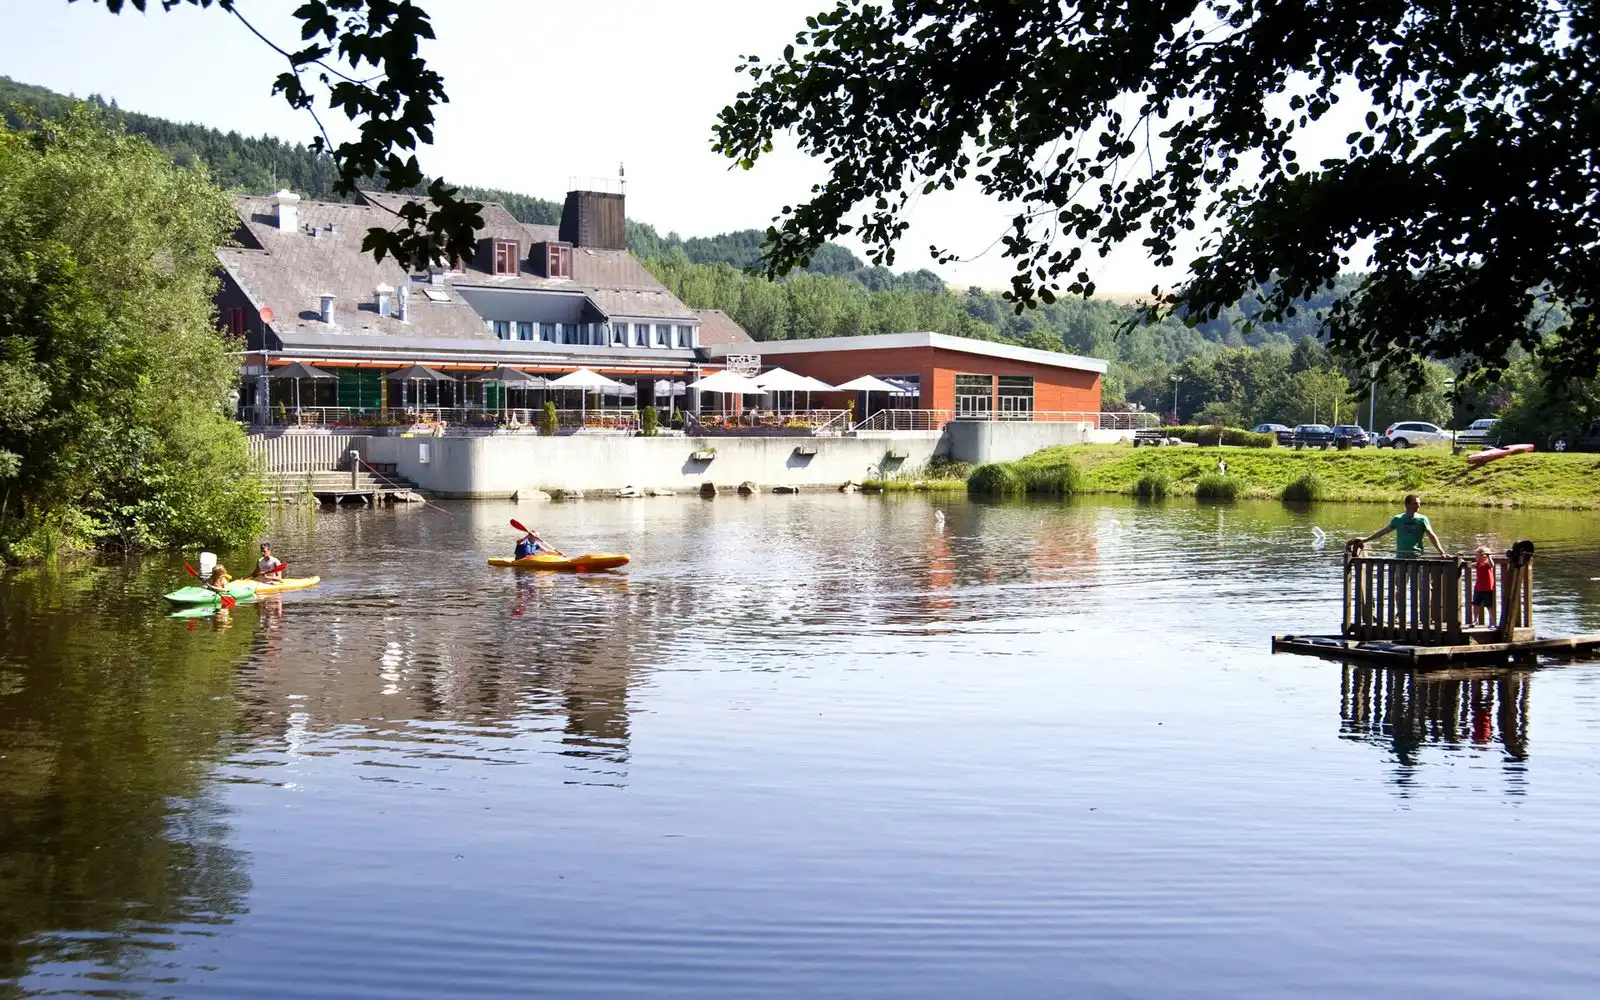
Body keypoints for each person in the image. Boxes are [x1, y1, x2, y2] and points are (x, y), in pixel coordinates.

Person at [1351, 494, 1446, 558]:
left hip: (1417, 557)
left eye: (1419, 503)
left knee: (1423, 586)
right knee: (1400, 585)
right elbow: (1383, 532)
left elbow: (1432, 536)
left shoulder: (1422, 519)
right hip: (1401, 557)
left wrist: (1442, 552)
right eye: (1415, 504)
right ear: (1407, 504)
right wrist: (1366, 540)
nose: (1418, 506)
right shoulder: (1398, 519)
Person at [1472, 546, 1497, 627]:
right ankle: (1475, 620)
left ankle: (1492, 622)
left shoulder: (1487, 564)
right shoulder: (1478, 564)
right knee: (1476, 604)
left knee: (1489, 606)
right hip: (1478, 588)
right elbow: (1469, 565)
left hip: (1487, 588)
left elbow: (1492, 565)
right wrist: (1461, 560)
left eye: (1477, 556)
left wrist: (1489, 556)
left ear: (1484, 556)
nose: (1476, 557)